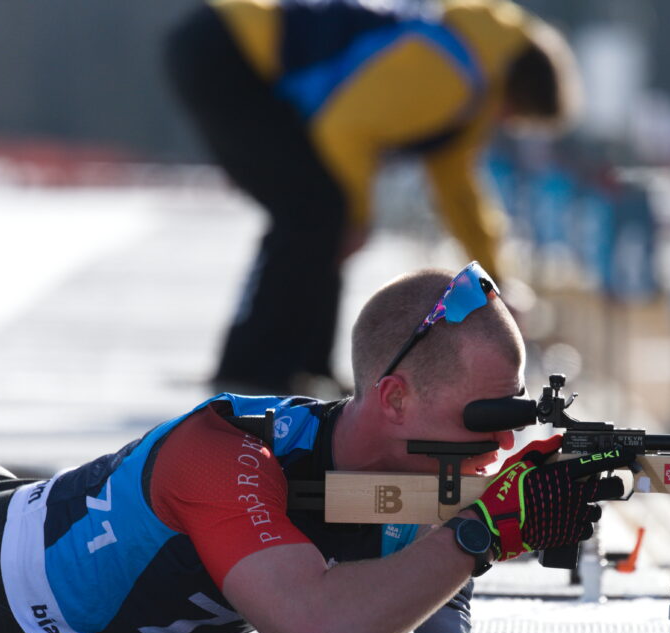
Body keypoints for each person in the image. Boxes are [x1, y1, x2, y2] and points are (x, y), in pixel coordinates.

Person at [0, 265, 627, 633]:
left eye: (512, 418)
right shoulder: (225, 451)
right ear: (396, 397)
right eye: (483, 420)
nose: (499, 448)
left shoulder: (393, 487)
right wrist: (476, 534)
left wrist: (466, 534)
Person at [164, 0, 581, 395]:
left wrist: (496, 280)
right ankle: (250, 371)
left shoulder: (467, 75)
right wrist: (358, 218)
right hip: (227, 46)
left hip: (226, 45)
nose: (505, 123)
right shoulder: (449, 73)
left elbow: (459, 193)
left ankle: (305, 367)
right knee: (315, 213)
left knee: (317, 215)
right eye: (516, 116)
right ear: (517, 93)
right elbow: (344, 128)